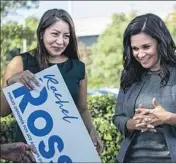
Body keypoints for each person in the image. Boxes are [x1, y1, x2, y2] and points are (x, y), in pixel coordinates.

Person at [0, 9, 103, 155]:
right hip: (28, 154)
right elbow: (2, 111)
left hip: (67, 152)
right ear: (41, 33)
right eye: (55, 34)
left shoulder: (78, 68)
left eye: (66, 36)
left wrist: (92, 130)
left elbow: (82, 108)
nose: (61, 41)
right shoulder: (20, 63)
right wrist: (11, 82)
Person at [112, 13, 176, 163]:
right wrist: (134, 123)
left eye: (146, 47)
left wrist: (168, 118)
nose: (140, 54)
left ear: (161, 42)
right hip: (132, 159)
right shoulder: (129, 74)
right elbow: (118, 117)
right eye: (135, 48)